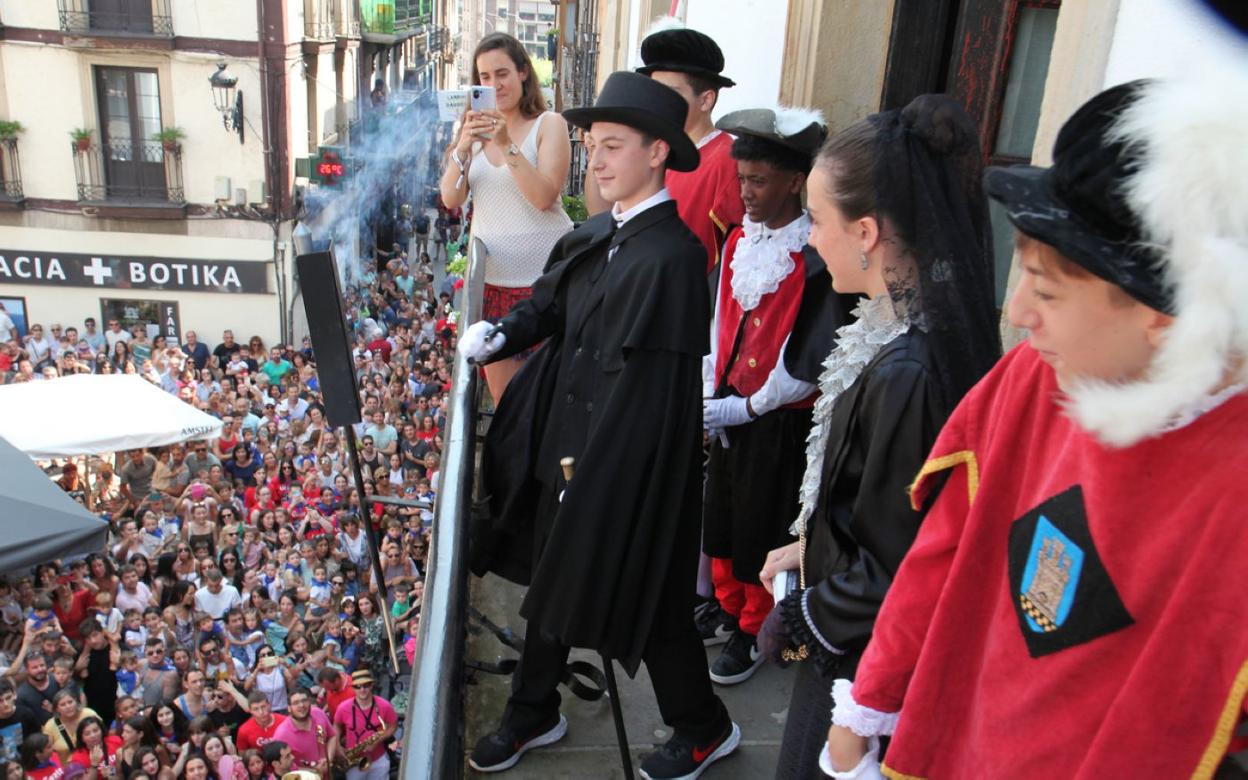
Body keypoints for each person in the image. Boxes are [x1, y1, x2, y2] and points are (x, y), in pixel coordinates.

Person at [822, 75, 1248, 779]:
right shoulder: (1029, 379)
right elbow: (941, 552)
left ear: (1165, 318)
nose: (1017, 311)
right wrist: (865, 705)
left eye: (1046, 290)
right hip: (968, 732)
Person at [460, 71, 736, 778]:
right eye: (591, 147)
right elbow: (549, 308)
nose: (597, 161)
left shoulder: (671, 256)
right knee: (557, 577)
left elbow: (649, 394)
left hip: (623, 465)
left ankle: (704, 728)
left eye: (613, 147)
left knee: (652, 598)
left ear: (656, 154)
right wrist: (499, 333)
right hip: (567, 448)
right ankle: (533, 710)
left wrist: (598, 479)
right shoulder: (595, 233)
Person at [741, 93, 1000, 778]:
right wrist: (811, 543)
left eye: (819, 219)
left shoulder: (908, 370)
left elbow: (898, 563)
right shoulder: (887, 329)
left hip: (864, 663)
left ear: (865, 232)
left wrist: (803, 621)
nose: (811, 236)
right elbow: (875, 503)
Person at [696, 106, 857, 685]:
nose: (746, 193)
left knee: (764, 528)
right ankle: (726, 604)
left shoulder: (813, 256)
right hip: (731, 408)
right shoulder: (738, 238)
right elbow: (719, 320)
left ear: (795, 181)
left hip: (778, 418)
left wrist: (749, 405)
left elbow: (810, 351)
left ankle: (755, 629)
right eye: (742, 180)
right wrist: (712, 388)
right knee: (722, 518)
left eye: (758, 180)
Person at [440, 32, 573, 402]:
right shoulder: (474, 134)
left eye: (502, 73)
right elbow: (450, 196)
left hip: (546, 283)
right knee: (507, 402)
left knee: (550, 398)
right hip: (494, 286)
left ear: (523, 74)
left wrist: (505, 143)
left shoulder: (549, 124)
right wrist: (464, 146)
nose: (494, 84)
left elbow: (543, 196)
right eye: (484, 77)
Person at [587, 23, 744, 278]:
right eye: (653, 90)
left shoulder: (727, 159)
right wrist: (596, 150)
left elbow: (734, 256)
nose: (658, 102)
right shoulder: (646, 145)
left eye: (670, 93)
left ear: (706, 99)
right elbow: (602, 214)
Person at [332, 670, 394, 780]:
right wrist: (338, 746)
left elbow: (392, 726)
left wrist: (378, 740)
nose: (362, 690)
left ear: (372, 685)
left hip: (378, 760)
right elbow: (336, 726)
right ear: (352, 688)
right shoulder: (343, 707)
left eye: (366, 685)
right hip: (354, 761)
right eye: (358, 686)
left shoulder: (385, 705)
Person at [271, 688, 335, 774]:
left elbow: (332, 736)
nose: (301, 705)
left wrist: (328, 759)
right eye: (296, 703)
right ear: (289, 708)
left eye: (304, 700)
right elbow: (282, 766)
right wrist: (315, 771)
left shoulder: (318, 713)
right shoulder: (281, 734)